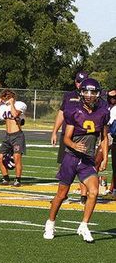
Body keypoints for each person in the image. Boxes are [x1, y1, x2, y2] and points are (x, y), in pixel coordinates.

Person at [43, 78, 109, 243]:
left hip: (87, 160)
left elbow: (104, 137)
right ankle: (50, 223)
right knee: (62, 194)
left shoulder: (103, 111)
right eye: (86, 91)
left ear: (98, 94)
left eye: (93, 92)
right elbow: (66, 138)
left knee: (93, 192)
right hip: (71, 158)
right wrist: (74, 145)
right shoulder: (74, 111)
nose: (89, 95)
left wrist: (105, 157)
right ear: (81, 93)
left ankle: (84, 225)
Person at [51, 71, 89, 203]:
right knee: (65, 165)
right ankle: (62, 195)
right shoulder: (69, 96)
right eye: (78, 81)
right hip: (67, 134)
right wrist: (54, 131)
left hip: (83, 135)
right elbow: (61, 113)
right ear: (75, 82)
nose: (80, 84)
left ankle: (84, 196)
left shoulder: (91, 97)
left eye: (83, 82)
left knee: (84, 165)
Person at [0, 89, 27, 186]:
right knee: (0, 158)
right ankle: (5, 179)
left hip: (17, 135)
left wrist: (12, 104)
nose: (7, 98)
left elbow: (14, 114)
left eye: (8, 96)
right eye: (5, 97)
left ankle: (18, 180)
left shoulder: (19, 105)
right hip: (7, 135)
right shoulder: (3, 107)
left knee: (17, 157)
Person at [107, 89, 116, 193]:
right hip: (106, 134)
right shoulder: (105, 106)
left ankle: (113, 189)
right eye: (110, 97)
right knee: (97, 161)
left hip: (112, 134)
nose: (112, 99)